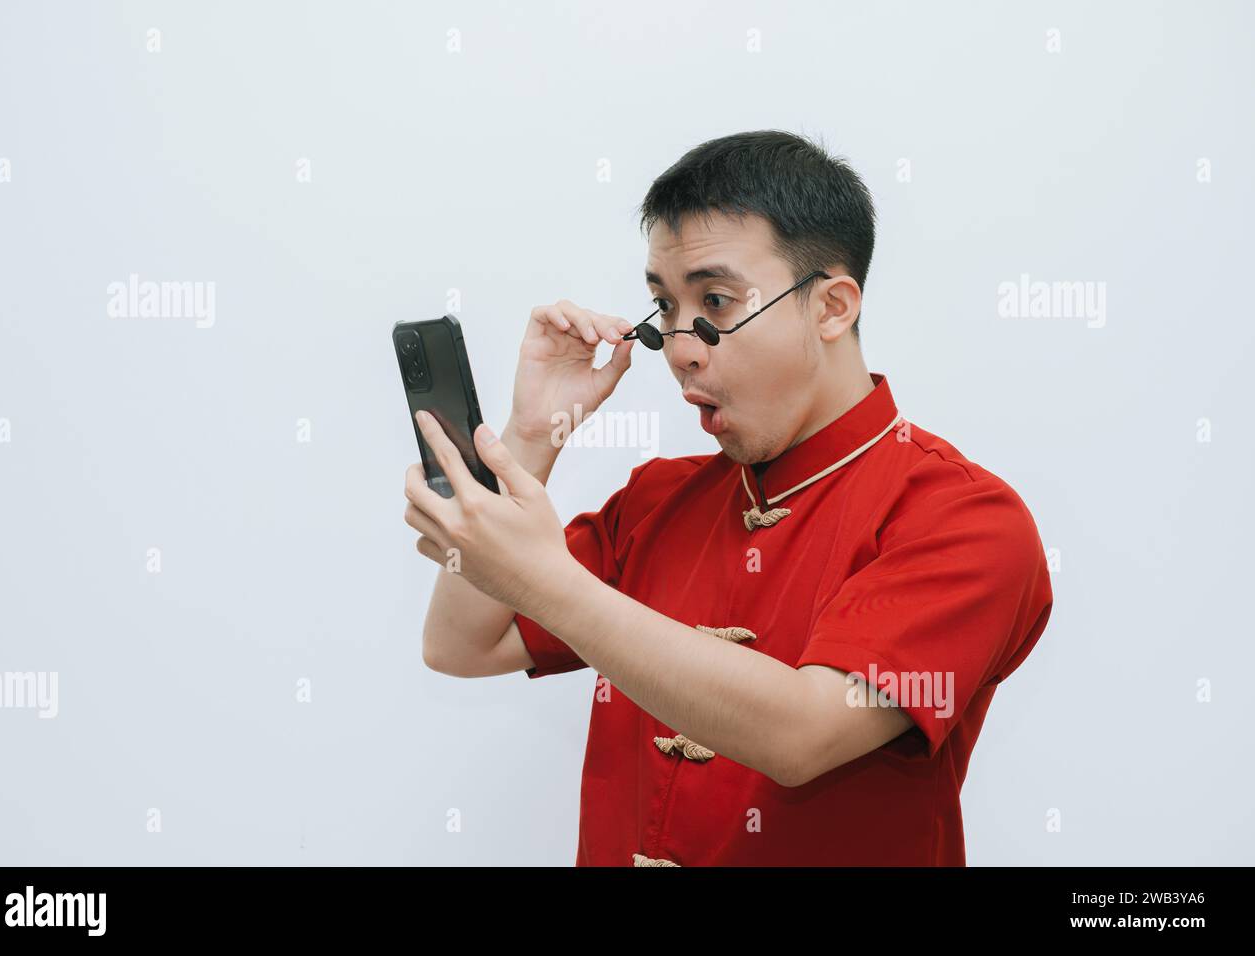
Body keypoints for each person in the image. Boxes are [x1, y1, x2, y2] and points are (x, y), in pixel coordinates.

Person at [403, 129, 1054, 866]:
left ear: (833, 307)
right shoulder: (657, 500)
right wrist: (530, 435)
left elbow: (802, 736)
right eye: (663, 307)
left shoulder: (965, 519)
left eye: (714, 301)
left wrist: (541, 578)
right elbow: (459, 643)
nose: (681, 344)